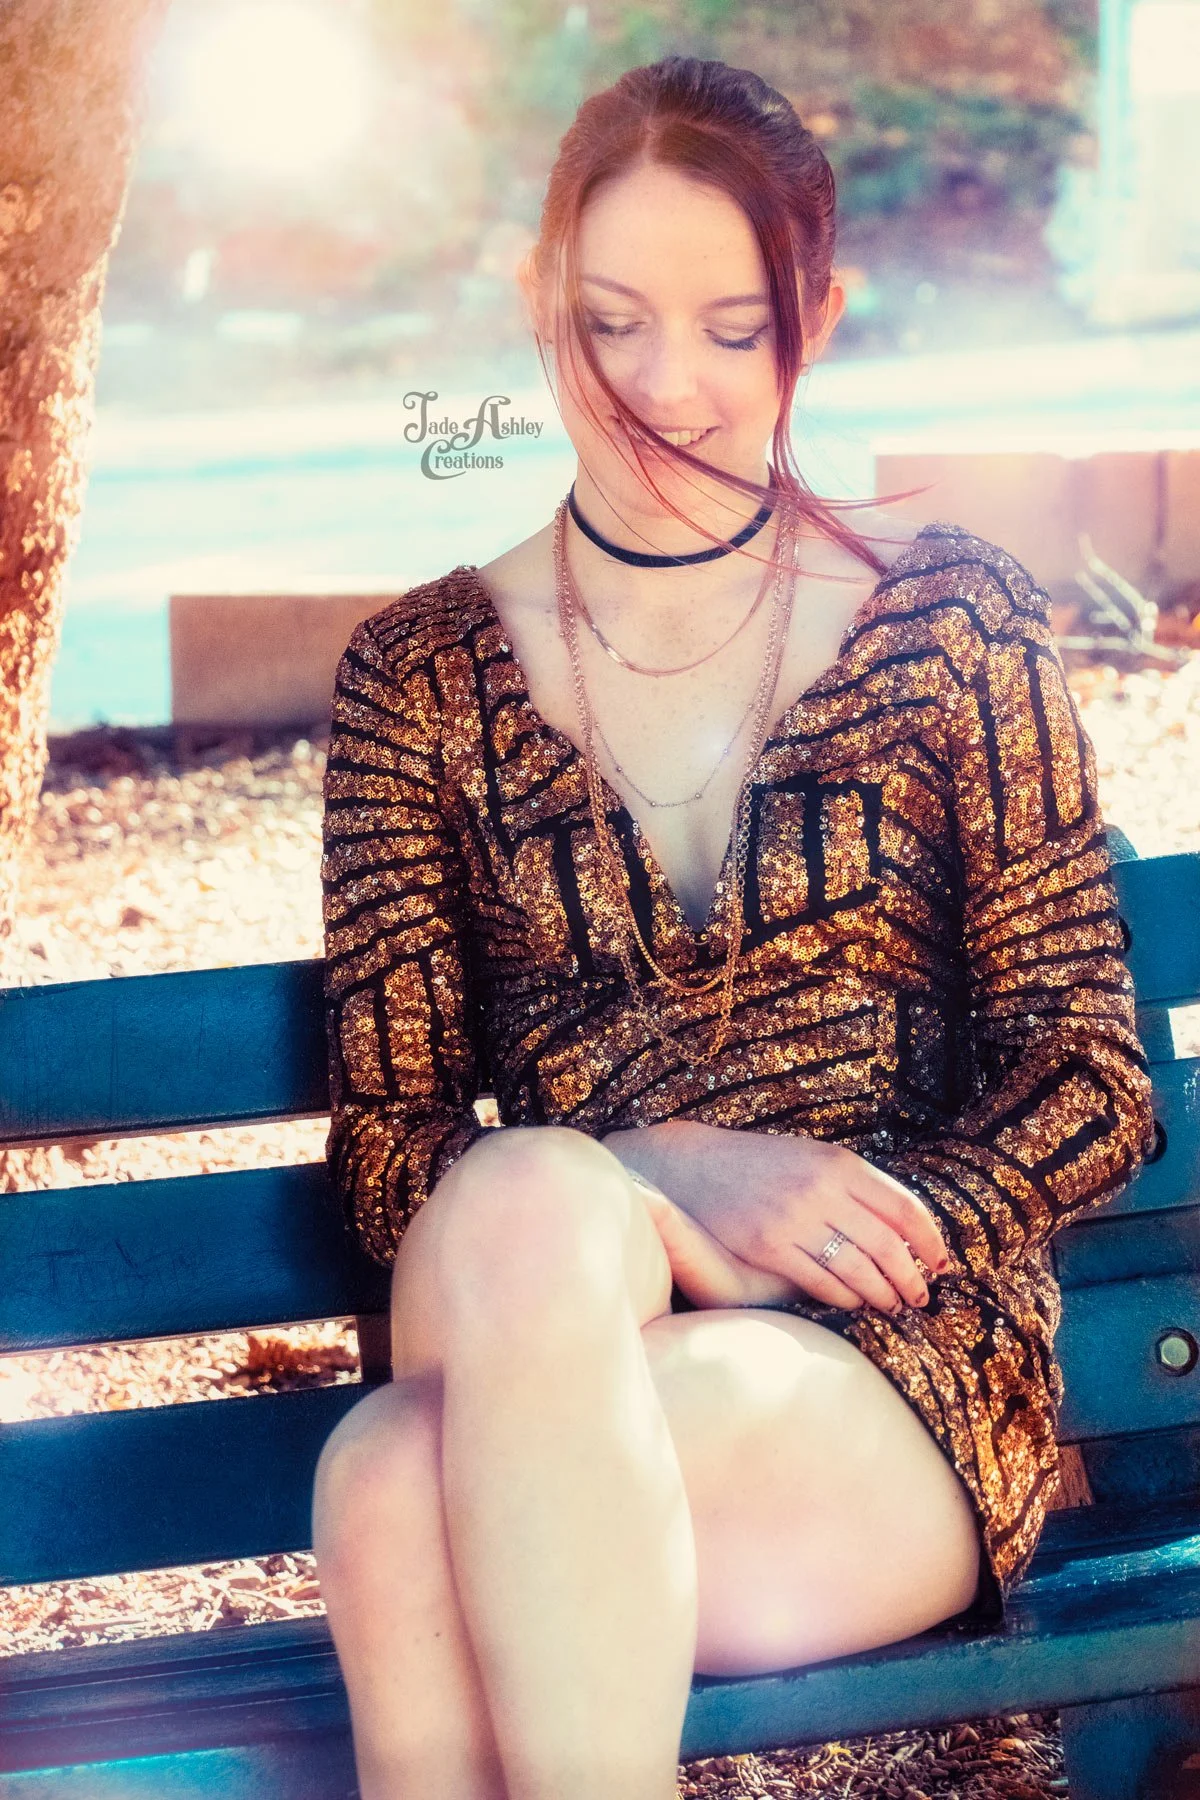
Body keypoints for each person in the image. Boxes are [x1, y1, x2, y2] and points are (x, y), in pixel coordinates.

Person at [312, 54, 1155, 1800]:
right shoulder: (419, 680)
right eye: (610, 322)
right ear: (540, 301)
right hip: (554, 1307)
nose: (663, 388)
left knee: (393, 1485)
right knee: (527, 1193)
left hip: (890, 1377)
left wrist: (860, 1229)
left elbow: (1092, 1072)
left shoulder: (949, 626)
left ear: (814, 322)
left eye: (729, 328)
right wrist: (673, 1179)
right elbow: (395, 1160)